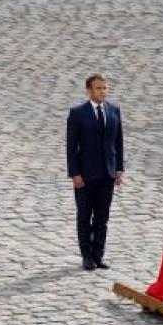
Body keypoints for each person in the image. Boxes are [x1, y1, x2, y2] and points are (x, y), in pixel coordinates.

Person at [66, 74, 125, 271]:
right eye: (98, 88)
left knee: (102, 217)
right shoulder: (78, 113)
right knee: (84, 216)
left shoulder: (114, 110)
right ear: (89, 91)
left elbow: (118, 142)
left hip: (107, 174)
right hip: (85, 175)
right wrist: (75, 173)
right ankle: (86, 256)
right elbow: (71, 146)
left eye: (104, 88)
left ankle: (98, 255)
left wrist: (119, 169)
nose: (102, 91)